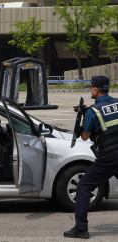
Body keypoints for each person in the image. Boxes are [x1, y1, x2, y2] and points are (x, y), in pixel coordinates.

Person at [64, 76, 118, 239]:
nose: (90, 90)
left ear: (95, 90)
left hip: (109, 156)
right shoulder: (116, 103)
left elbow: (86, 136)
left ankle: (81, 228)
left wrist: (85, 117)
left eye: (90, 88)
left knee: (84, 187)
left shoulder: (93, 112)